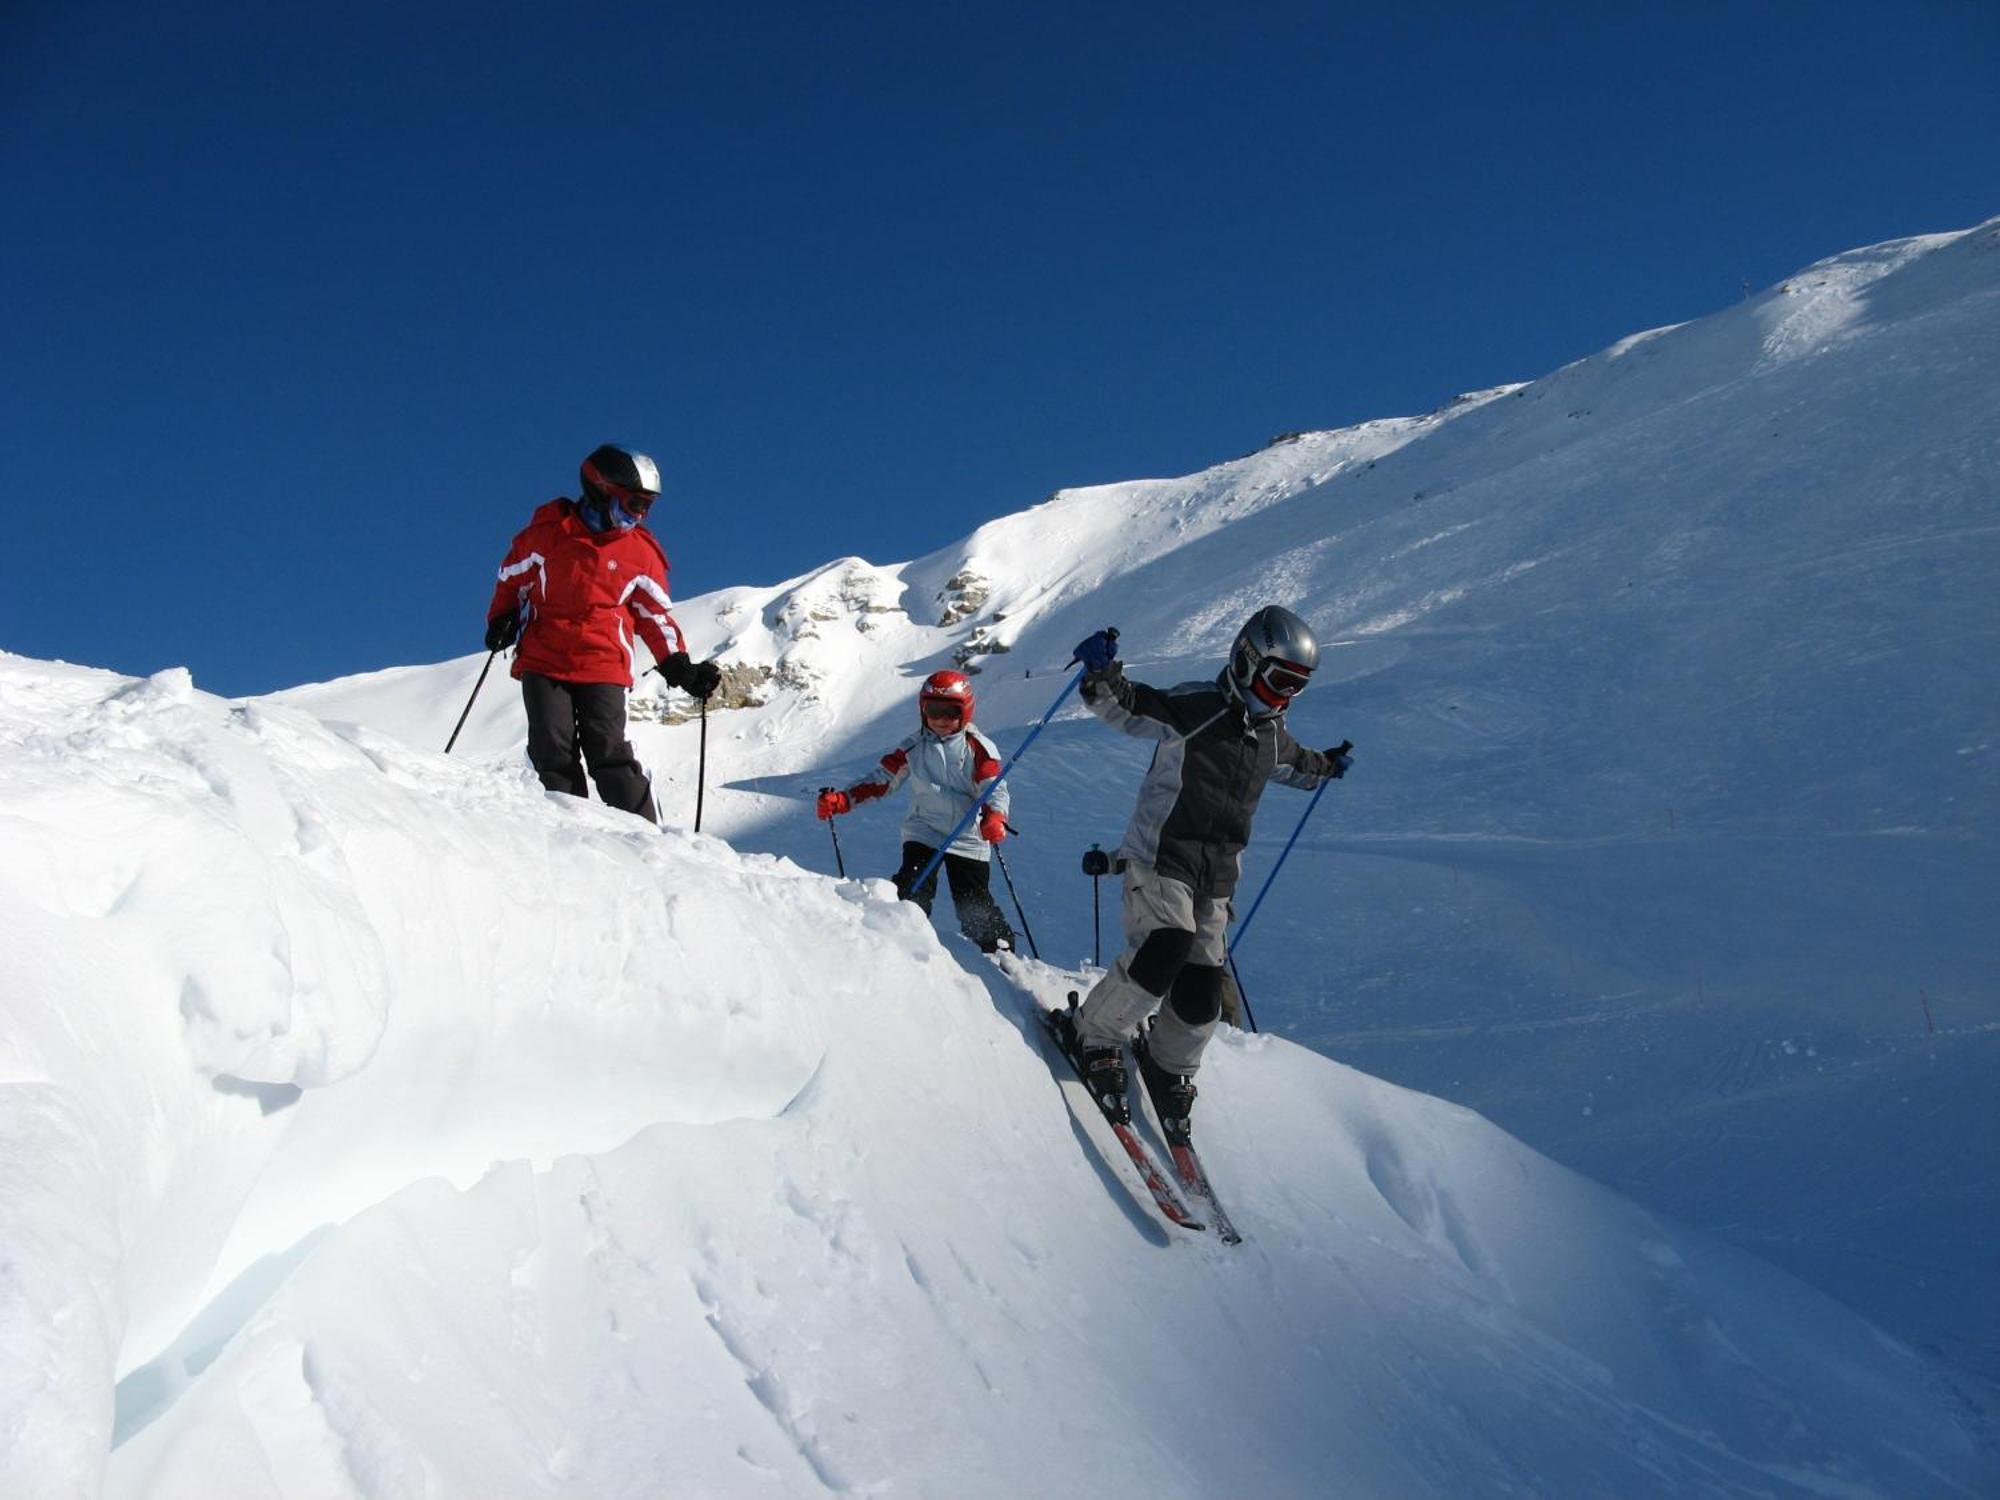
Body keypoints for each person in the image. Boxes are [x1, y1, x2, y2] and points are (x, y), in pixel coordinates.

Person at [1056, 607, 1353, 1144]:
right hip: (1160, 858)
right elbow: (1125, 706)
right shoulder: (1197, 707)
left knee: (1201, 991)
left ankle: (1170, 1067)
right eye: (1278, 680)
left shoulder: (1271, 737)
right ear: (1246, 662)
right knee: (1166, 946)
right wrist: (1102, 674)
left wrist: (1328, 766)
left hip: (1215, 880)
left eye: (1296, 688)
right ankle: (1095, 1034)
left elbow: (1298, 766)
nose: (1283, 697)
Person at [484, 443, 722, 823]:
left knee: (608, 750)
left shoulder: (640, 553)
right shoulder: (548, 536)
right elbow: (511, 580)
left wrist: (677, 663)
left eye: (647, 506)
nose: (640, 514)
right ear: (601, 489)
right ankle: (570, 828)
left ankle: (647, 839)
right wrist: (503, 618)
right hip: (544, 659)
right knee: (552, 748)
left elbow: (653, 615)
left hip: (603, 664)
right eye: (633, 503)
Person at [815, 670, 1017, 953]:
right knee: (912, 886)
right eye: (934, 712)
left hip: (967, 835)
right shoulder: (913, 747)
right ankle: (896, 943)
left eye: (950, 713)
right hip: (925, 830)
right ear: (923, 711)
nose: (941, 721)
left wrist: (995, 816)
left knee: (972, 902)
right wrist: (843, 800)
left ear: (966, 712)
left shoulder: (978, 748)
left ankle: (1000, 955)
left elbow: (994, 787)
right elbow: (882, 779)